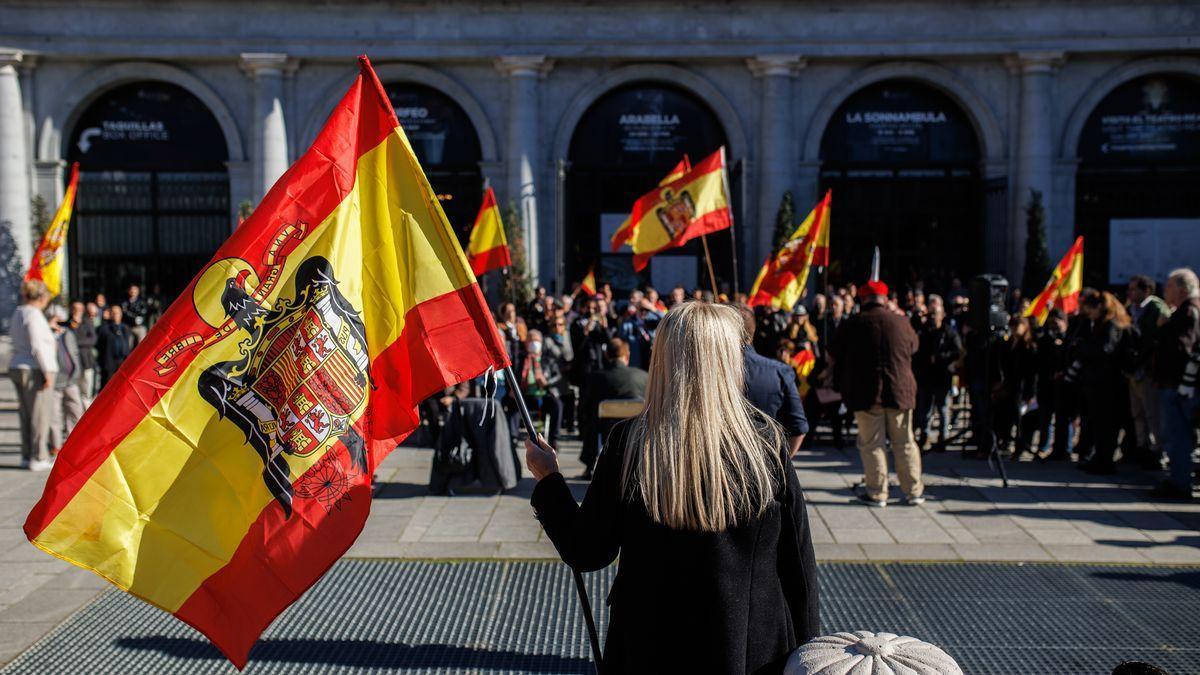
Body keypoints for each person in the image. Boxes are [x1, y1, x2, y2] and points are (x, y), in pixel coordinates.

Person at [525, 302, 819, 672]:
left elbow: (587, 550)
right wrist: (810, 652)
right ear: (729, 359)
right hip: (750, 647)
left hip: (650, 644)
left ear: (663, 358)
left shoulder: (630, 443)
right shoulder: (767, 443)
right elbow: (799, 567)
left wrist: (549, 480)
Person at [831, 280, 923, 507]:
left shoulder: (853, 323)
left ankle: (877, 493)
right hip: (900, 392)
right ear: (885, 300)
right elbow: (914, 347)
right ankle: (913, 491)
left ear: (863, 300)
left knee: (872, 444)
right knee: (905, 442)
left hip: (867, 393)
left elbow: (834, 351)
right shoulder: (901, 322)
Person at [1149, 268, 1200, 500]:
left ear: (1181, 289)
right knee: (1178, 436)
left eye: (1168, 286)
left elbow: (1182, 348)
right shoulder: (1187, 310)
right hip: (1178, 384)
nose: (1164, 290)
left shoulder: (1189, 311)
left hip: (1178, 386)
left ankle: (1180, 482)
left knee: (1177, 436)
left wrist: (1163, 328)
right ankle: (1179, 479)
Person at [1070, 291, 1133, 475]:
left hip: (1107, 384)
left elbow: (1105, 349)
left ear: (1100, 307)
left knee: (1107, 424)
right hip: (1099, 382)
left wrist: (1082, 347)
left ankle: (1105, 459)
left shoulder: (1111, 325)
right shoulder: (1101, 324)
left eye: (1090, 309)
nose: (1088, 313)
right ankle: (1100, 457)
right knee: (1099, 423)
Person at [738, 305, 809, 456]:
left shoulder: (704, 371)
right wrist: (780, 466)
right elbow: (799, 429)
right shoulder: (779, 371)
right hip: (766, 463)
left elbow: (799, 427)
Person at [578, 337, 648, 478]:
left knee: (591, 418)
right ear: (627, 355)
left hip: (606, 430)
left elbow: (585, 406)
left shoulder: (597, 377)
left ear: (606, 355)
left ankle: (590, 465)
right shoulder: (643, 377)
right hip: (637, 429)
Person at [8, 281, 58, 471]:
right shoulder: (34, 314)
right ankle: (39, 456)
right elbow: (37, 345)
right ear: (42, 298)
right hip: (35, 368)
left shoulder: (18, 312)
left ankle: (27, 454)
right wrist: (47, 371)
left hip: (18, 364)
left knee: (26, 414)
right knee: (40, 415)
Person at [1125, 274, 1169, 467]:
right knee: (1138, 413)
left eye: (1134, 289)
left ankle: (1159, 451)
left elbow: (1154, 341)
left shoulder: (1156, 309)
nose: (1130, 293)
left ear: (1147, 290)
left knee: (1153, 414)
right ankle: (1141, 448)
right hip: (1133, 371)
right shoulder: (1130, 310)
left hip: (1147, 370)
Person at [913, 294, 963, 452]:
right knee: (925, 410)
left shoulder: (949, 332)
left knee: (942, 409)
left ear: (942, 315)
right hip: (926, 376)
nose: (934, 317)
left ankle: (943, 438)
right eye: (932, 314)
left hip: (942, 376)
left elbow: (958, 351)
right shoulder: (924, 330)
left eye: (937, 314)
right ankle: (925, 437)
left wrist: (941, 358)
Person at [992, 315, 1038, 458]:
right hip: (1009, 385)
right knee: (1005, 416)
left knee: (1020, 419)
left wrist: (1031, 393)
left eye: (1017, 326)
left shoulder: (1029, 346)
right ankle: (1004, 442)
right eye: (1012, 326)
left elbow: (1032, 373)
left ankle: (1021, 446)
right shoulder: (1008, 343)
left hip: (1022, 387)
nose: (1014, 329)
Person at [517, 329, 564, 449]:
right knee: (512, 405)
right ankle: (512, 437)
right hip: (525, 396)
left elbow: (558, 375)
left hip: (544, 395)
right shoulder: (520, 359)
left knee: (557, 405)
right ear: (526, 342)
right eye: (531, 340)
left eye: (536, 340)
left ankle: (554, 440)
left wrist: (546, 382)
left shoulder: (547, 359)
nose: (534, 343)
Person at [47, 307, 84, 455]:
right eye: (55, 319)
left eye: (61, 319)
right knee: (54, 415)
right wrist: (49, 330)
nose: (59, 322)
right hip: (55, 381)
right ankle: (56, 445)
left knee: (76, 411)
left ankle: (73, 442)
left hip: (71, 379)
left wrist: (78, 371)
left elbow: (74, 352)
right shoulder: (46, 334)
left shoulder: (68, 333)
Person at [69, 300, 98, 403]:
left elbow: (92, 340)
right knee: (75, 391)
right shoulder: (69, 323)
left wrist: (76, 342)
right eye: (75, 309)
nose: (77, 311)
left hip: (86, 361)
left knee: (86, 390)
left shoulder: (87, 322)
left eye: (80, 309)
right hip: (73, 362)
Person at [97, 305, 133, 387]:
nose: (116, 315)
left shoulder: (125, 328)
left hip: (123, 360)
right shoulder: (104, 328)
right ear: (110, 314)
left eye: (118, 313)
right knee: (108, 385)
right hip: (110, 362)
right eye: (113, 313)